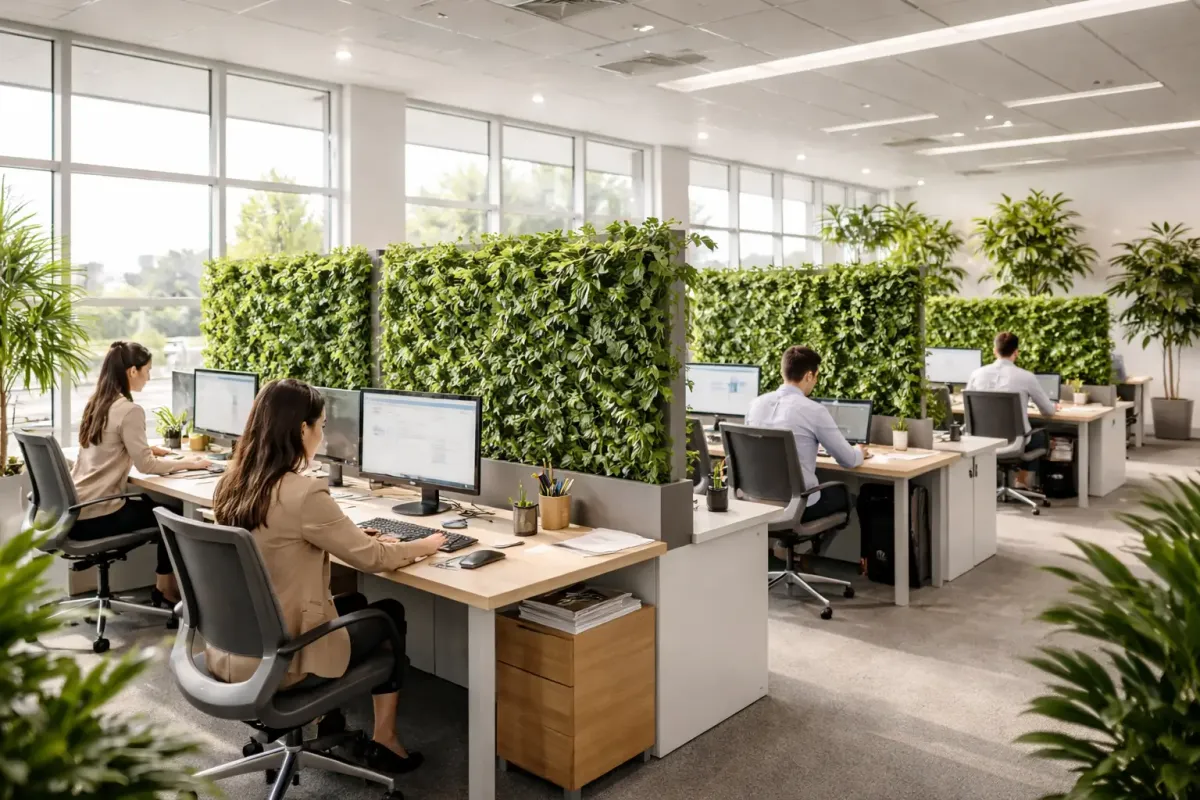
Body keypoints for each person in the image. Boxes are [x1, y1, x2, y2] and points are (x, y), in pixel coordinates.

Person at [210, 378, 444, 774]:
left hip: (234, 649)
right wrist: (427, 544)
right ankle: (385, 741)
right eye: (320, 425)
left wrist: (348, 535)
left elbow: (281, 539)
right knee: (388, 615)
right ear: (301, 429)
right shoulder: (304, 493)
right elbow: (372, 559)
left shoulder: (231, 484)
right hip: (284, 657)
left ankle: (330, 720)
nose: (322, 434)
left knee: (352, 604)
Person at [71, 341, 211, 605]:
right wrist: (190, 464)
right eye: (147, 370)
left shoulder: (97, 403)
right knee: (172, 517)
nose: (149, 377)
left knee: (153, 505)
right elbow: (146, 467)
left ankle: (164, 586)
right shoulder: (130, 410)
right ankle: (165, 588)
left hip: (79, 508)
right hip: (100, 513)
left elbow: (109, 447)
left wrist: (147, 449)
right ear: (132, 371)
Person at [746, 346, 867, 521]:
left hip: (756, 502)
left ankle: (786, 546)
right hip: (798, 506)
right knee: (849, 496)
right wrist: (859, 452)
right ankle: (813, 548)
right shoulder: (814, 410)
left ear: (783, 372)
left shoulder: (754, 405)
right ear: (809, 375)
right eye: (816, 377)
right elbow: (848, 460)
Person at [966, 331, 1058, 486]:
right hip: (1014, 442)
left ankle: (991, 485)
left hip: (981, 440)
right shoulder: (1026, 377)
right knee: (1040, 436)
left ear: (994, 350)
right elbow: (1048, 412)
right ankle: (1022, 483)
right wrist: (1055, 406)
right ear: (1016, 352)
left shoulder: (976, 374)